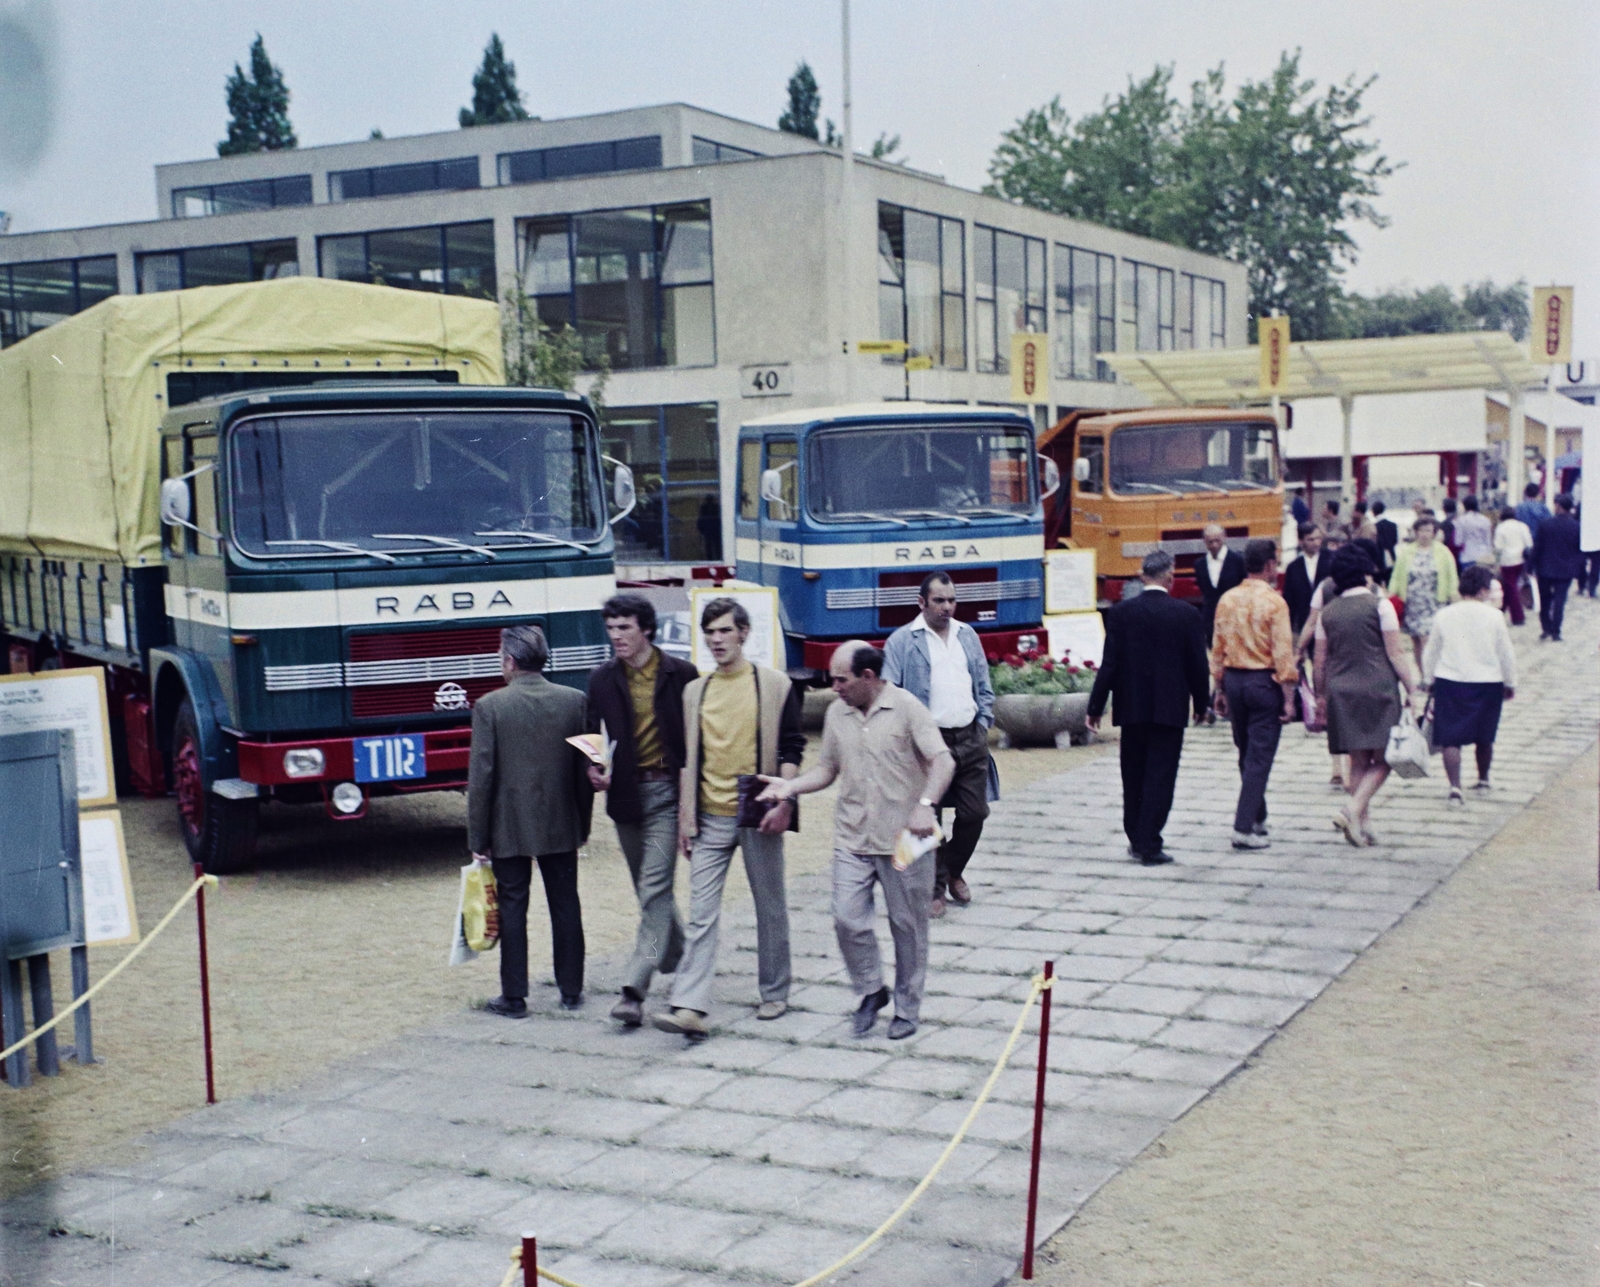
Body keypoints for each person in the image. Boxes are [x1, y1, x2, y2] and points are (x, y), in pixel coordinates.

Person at [758, 643, 954, 1040]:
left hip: (905, 839)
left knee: (908, 927)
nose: (834, 687)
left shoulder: (907, 708)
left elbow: (943, 761)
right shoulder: (836, 712)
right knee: (846, 917)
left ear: (868, 677)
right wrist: (790, 787)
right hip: (853, 835)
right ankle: (870, 990)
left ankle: (907, 1008)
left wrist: (926, 805)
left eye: (841, 679)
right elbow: (828, 768)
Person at [654, 598, 803, 1038]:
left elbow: (792, 747)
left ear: (743, 633)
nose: (716, 640)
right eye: (710, 632)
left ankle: (775, 991)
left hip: (757, 809)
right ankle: (690, 1006)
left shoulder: (774, 685)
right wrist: (686, 818)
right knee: (701, 912)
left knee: (770, 905)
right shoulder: (695, 692)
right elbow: (685, 760)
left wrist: (784, 799)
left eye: (724, 631)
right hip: (709, 815)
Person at [585, 594, 700, 1027]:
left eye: (624, 628)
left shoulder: (682, 675)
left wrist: (694, 806)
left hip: (668, 795)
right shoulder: (600, 680)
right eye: (611, 629)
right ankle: (682, 957)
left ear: (646, 629)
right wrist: (592, 765)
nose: (616, 637)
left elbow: (695, 738)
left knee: (653, 891)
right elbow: (587, 731)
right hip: (626, 798)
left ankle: (636, 985)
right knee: (650, 894)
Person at [468, 625, 593, 1016]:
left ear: (510, 661)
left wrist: (478, 834)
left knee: (512, 905)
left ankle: (515, 994)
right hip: (561, 819)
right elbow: (584, 770)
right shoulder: (575, 701)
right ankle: (571, 989)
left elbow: (482, 776)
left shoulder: (490, 706)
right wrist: (582, 822)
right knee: (565, 903)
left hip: (508, 823)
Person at [882, 571, 996, 919]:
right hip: (928, 744)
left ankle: (952, 870)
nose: (947, 607)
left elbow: (983, 682)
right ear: (922, 603)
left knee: (975, 812)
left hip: (969, 737)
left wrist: (983, 722)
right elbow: (891, 693)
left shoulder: (967, 635)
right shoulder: (903, 641)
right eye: (939, 601)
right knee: (927, 817)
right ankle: (934, 890)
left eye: (952, 600)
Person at [1086, 551, 1210, 865]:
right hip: (1170, 707)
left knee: (1134, 774)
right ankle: (1150, 840)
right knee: (1161, 774)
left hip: (1132, 706)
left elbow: (1109, 665)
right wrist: (1201, 702)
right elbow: (1198, 664)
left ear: (1143, 577)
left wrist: (1096, 706)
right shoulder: (1186, 614)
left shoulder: (1121, 613)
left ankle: (1136, 836)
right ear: (1170, 576)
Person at [1315, 546, 1420, 847]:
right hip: (1379, 687)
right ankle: (1351, 809)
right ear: (1365, 573)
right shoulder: (1381, 606)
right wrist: (1412, 689)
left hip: (1341, 690)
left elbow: (1320, 661)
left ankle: (1363, 826)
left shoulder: (1327, 613)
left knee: (1358, 759)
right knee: (1387, 757)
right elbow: (1395, 652)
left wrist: (1321, 697)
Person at [1210, 539, 1298, 850]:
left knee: (1246, 752)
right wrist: (1288, 696)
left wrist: (1218, 688)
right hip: (1263, 682)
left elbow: (1217, 649)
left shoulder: (1227, 599)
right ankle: (1243, 827)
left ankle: (1257, 816)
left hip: (1234, 679)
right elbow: (1283, 655)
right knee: (1259, 756)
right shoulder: (1275, 603)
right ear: (1271, 565)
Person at [1421, 565, 1515, 807]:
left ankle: (1455, 786)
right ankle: (1483, 778)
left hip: (1450, 680)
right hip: (1487, 681)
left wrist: (1427, 678)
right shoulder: (1494, 615)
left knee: (1450, 737)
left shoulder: (1445, 614)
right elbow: (1505, 652)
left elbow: (1432, 650)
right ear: (1483, 589)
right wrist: (1510, 681)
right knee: (1485, 734)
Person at [1389, 513, 1458, 667]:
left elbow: (1451, 576)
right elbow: (1397, 575)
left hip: (1434, 602)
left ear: (1434, 533)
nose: (1425, 534)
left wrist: (1453, 596)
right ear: (1416, 532)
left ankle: (1430, 675)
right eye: (1421, 530)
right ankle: (1422, 674)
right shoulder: (1407, 552)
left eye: (1428, 530)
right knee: (1416, 642)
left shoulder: (1443, 552)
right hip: (1412, 602)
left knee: (1427, 639)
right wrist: (1392, 595)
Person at [1532, 493, 1584, 642]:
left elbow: (1538, 547)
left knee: (1545, 601)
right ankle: (1556, 631)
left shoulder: (1545, 524)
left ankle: (1546, 628)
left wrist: (1531, 566)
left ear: (1558, 506)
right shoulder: (1576, 526)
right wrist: (1576, 566)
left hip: (1545, 568)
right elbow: (1580, 550)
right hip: (1566, 570)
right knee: (1560, 601)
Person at [1193, 524, 1246, 648]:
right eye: (1210, 542)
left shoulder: (1238, 561)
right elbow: (1204, 589)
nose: (1214, 545)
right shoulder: (1199, 564)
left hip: (1234, 617)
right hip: (1210, 619)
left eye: (1217, 540)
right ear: (1204, 541)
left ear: (1224, 537)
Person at [1283, 524, 1327, 636]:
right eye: (1311, 539)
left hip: (1329, 620)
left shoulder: (1331, 560)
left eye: (1318, 538)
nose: (1316, 543)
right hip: (1305, 623)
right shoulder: (1293, 568)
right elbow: (1289, 600)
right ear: (1301, 541)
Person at [1493, 507, 1534, 627]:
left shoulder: (1501, 528)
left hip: (1507, 560)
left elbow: (1498, 547)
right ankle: (1502, 609)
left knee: (1511, 586)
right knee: (1510, 586)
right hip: (1520, 559)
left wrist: (1496, 561)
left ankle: (1518, 616)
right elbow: (1529, 543)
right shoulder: (1522, 526)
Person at [1454, 495, 1493, 569]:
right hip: (1483, 555)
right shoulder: (1485, 520)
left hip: (1467, 555)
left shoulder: (1461, 520)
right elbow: (1488, 540)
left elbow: (1458, 541)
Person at [1372, 500, 1398, 574]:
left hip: (1379, 558)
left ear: (1373, 512)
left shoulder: (1374, 526)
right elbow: (1395, 540)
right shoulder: (1393, 525)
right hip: (1391, 555)